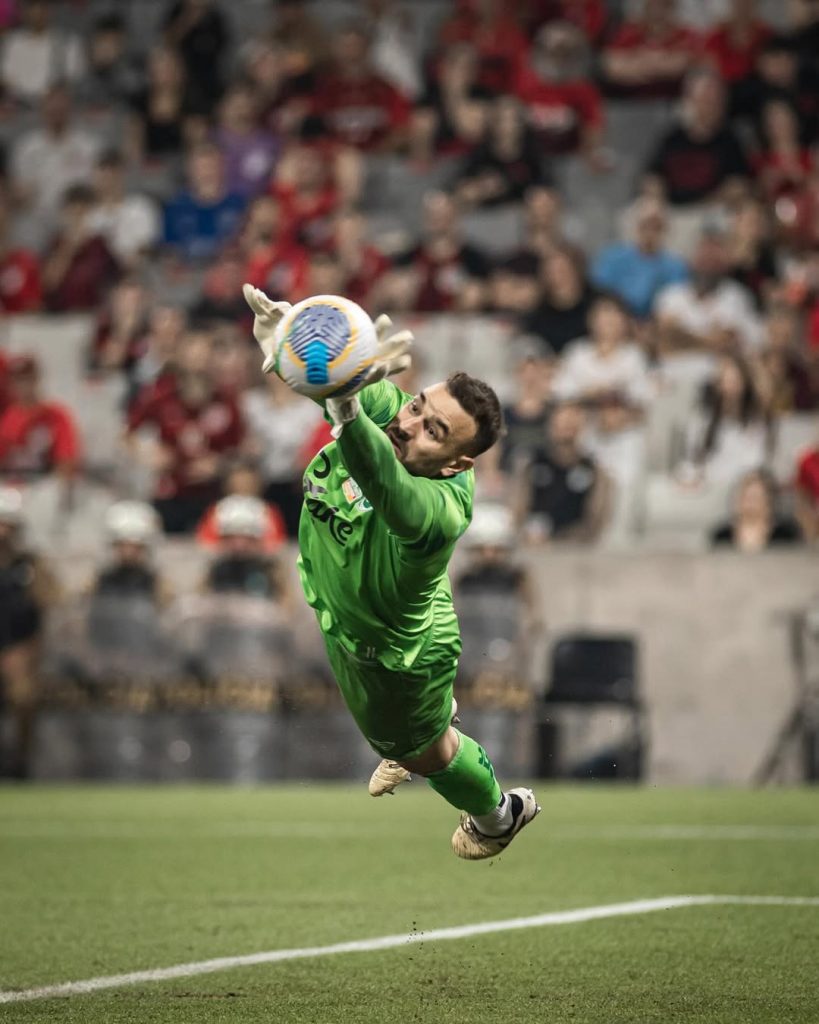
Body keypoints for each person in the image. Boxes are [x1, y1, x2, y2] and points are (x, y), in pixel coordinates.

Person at [243, 283, 540, 860]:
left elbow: (380, 478)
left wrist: (344, 405)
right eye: (417, 406)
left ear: (457, 462)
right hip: (359, 615)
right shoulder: (394, 416)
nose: (409, 424)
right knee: (411, 740)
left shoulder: (439, 513)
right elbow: (354, 385)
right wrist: (298, 341)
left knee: (428, 754)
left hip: (394, 657)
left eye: (433, 431)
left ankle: (499, 816)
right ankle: (426, 727)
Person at [0, 486, 58, 778]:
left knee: (23, 696)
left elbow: (51, 600)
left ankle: (20, 764)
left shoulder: (30, 565)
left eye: (8, 524)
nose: (3, 531)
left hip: (19, 647)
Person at [710, 469, 802, 550]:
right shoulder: (722, 535)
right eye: (745, 497)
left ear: (769, 501)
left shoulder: (785, 534)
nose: (749, 503)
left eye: (755, 497)